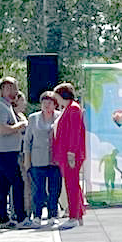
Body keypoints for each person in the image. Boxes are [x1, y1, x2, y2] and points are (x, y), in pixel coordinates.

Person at [0, 76, 32, 230]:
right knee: (18, 183)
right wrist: (20, 125)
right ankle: (21, 218)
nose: (14, 92)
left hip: (7, 151)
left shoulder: (5, 105)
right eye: (10, 88)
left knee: (4, 185)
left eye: (15, 88)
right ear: (2, 90)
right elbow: (1, 129)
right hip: (3, 152)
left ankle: (4, 218)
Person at [51, 82, 87, 229]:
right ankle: (78, 215)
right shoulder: (69, 108)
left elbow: (74, 132)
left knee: (71, 185)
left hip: (71, 154)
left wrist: (71, 152)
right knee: (72, 184)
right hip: (66, 153)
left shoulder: (73, 109)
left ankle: (74, 216)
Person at [24, 91, 61, 224]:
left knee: (54, 189)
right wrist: (27, 160)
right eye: (44, 102)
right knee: (38, 190)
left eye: (50, 102)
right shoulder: (33, 118)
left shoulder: (60, 117)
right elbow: (27, 141)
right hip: (37, 159)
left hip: (55, 159)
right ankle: (37, 215)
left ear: (55, 105)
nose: (47, 105)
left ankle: (53, 215)